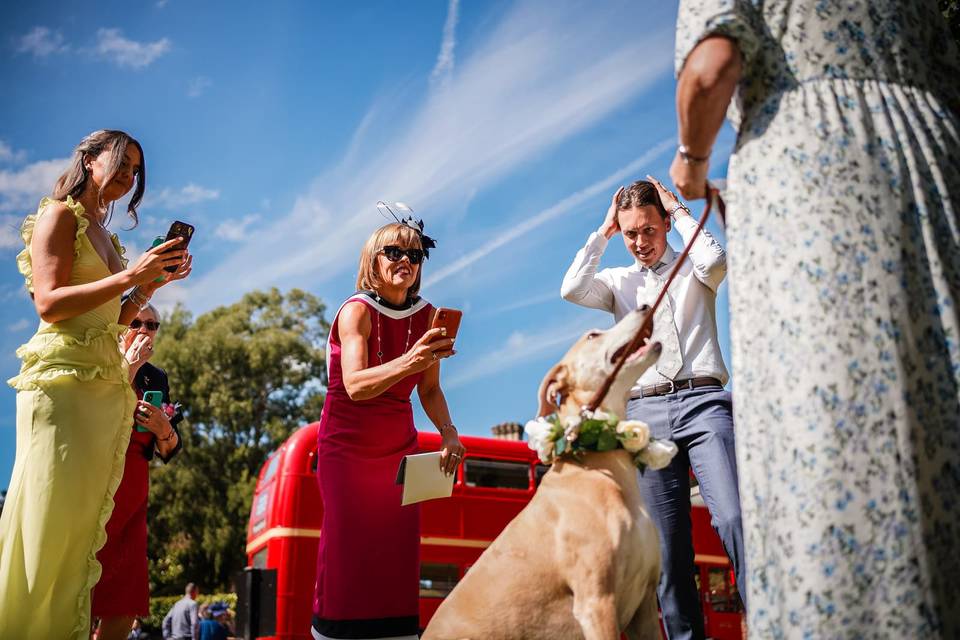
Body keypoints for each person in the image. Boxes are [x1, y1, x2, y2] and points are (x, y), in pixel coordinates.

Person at [670, 1, 960, 637]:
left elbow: (712, 66)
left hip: (814, 161)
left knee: (822, 415)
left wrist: (691, 158)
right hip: (934, 158)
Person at [0, 129, 190, 640]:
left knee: (80, 540)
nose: (129, 177)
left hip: (103, 387)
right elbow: (51, 302)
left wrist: (151, 282)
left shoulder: (110, 238)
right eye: (122, 163)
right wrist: (132, 277)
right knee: (50, 531)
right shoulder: (59, 217)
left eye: (136, 172)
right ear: (87, 158)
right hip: (61, 387)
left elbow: (114, 317)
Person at [561, 179, 744, 640]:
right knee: (667, 553)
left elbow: (716, 259)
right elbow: (571, 289)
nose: (641, 242)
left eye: (649, 229)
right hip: (646, 416)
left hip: (704, 405)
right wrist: (603, 233)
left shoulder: (693, 268)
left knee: (733, 517)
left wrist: (679, 210)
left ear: (664, 223)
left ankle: (772, 618)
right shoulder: (617, 283)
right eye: (630, 234)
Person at [311, 219, 465, 640]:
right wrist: (412, 362)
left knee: (397, 548)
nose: (405, 261)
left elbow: (429, 390)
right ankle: (333, 632)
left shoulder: (429, 315)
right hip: (347, 444)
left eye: (414, 255)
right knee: (348, 545)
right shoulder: (356, 310)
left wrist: (449, 432)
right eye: (393, 252)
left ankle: (397, 634)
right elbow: (356, 385)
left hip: (398, 441)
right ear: (372, 261)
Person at [92, 304, 186, 640]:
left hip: (133, 491)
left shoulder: (156, 376)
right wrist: (127, 368)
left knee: (125, 599)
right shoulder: (96, 359)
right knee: (81, 588)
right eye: (135, 322)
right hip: (95, 483)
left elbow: (171, 451)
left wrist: (163, 428)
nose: (144, 329)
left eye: (153, 324)